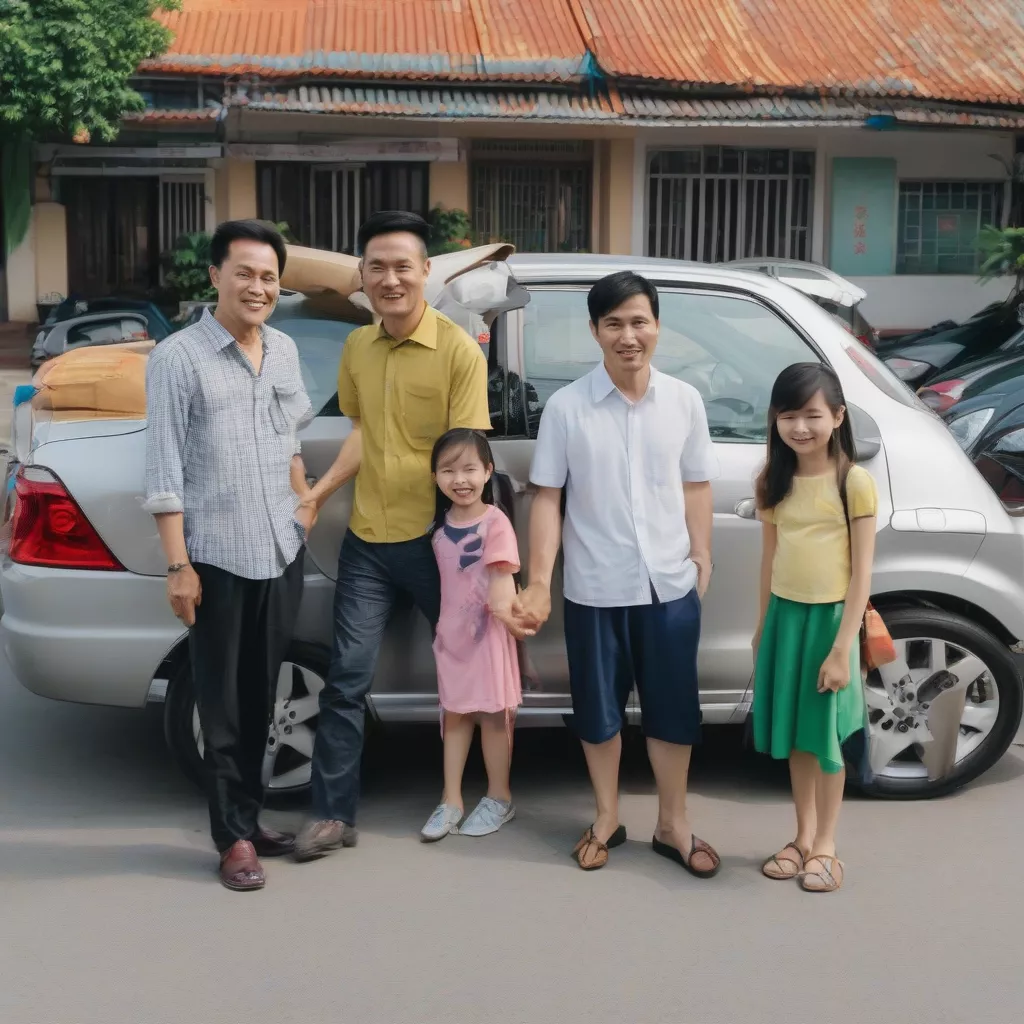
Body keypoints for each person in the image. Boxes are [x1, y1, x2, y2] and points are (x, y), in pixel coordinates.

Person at [293, 211, 491, 861]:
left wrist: (473, 551)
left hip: (437, 543)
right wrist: (319, 495)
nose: (390, 278)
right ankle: (330, 815)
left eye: (403, 265)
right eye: (376, 267)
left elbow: (469, 462)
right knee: (347, 679)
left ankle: (485, 792)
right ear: (362, 277)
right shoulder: (358, 349)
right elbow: (362, 436)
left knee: (468, 669)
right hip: (368, 542)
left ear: (426, 272)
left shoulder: (459, 350)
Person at [515, 271, 721, 875]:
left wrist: (701, 553)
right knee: (598, 711)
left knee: (673, 709)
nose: (628, 336)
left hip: (669, 585)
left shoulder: (684, 401)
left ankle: (673, 823)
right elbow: (547, 497)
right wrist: (538, 580)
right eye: (614, 324)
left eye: (639, 321)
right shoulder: (567, 408)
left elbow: (698, 484)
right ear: (594, 331)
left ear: (657, 325)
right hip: (595, 587)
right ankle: (607, 815)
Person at [144, 219, 316, 891]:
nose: (258, 286)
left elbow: (292, 444)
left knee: (260, 696)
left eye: (270, 276)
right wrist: (177, 564)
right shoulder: (178, 357)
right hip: (214, 556)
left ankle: (248, 817)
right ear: (215, 276)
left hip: (279, 548)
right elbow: (164, 472)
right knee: (219, 704)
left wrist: (303, 509)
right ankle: (231, 840)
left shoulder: (284, 350)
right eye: (244, 272)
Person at [752, 362, 877, 894]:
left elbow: (863, 574)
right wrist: (762, 628)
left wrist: (842, 647)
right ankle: (801, 837)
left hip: (832, 625)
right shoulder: (771, 481)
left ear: (838, 417)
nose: (800, 427)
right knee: (798, 739)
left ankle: (827, 845)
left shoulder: (854, 482)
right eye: (788, 416)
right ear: (775, 420)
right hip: (786, 617)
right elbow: (769, 559)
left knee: (825, 738)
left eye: (812, 415)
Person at [419, 428, 528, 842]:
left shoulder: (496, 523)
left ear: (488, 472)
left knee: (493, 719)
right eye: (448, 470)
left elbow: (503, 582)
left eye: (469, 469)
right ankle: (451, 800)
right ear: (435, 477)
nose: (459, 480)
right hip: (452, 640)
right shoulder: (439, 528)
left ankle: (499, 798)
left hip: (489, 639)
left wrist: (515, 626)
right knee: (455, 717)